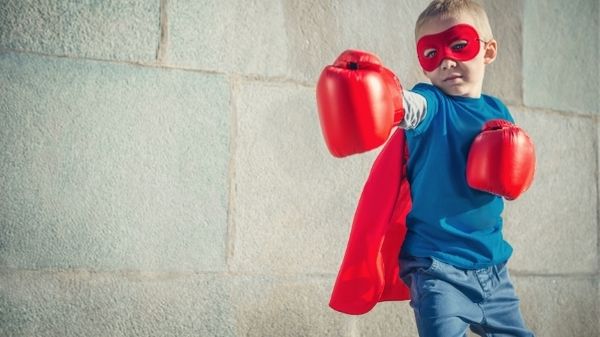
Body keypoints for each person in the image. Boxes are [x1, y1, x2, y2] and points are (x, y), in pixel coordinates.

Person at [316, 0, 536, 336]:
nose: (447, 60)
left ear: (488, 51)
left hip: (493, 269)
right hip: (437, 269)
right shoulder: (431, 103)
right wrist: (376, 94)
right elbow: (408, 107)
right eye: (431, 53)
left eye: (459, 45)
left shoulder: (498, 111)